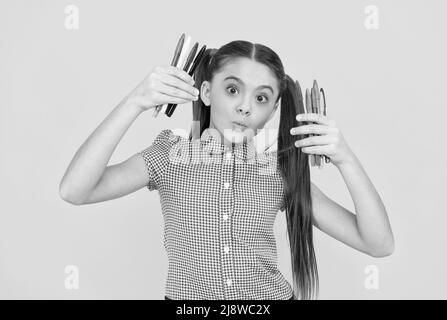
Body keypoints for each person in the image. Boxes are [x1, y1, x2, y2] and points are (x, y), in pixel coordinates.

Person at [59, 40, 394, 300]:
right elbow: (75, 190)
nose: (245, 107)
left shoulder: (279, 172)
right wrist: (135, 101)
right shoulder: (170, 155)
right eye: (232, 90)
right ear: (206, 92)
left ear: (273, 109)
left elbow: (378, 244)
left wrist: (346, 159)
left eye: (261, 98)